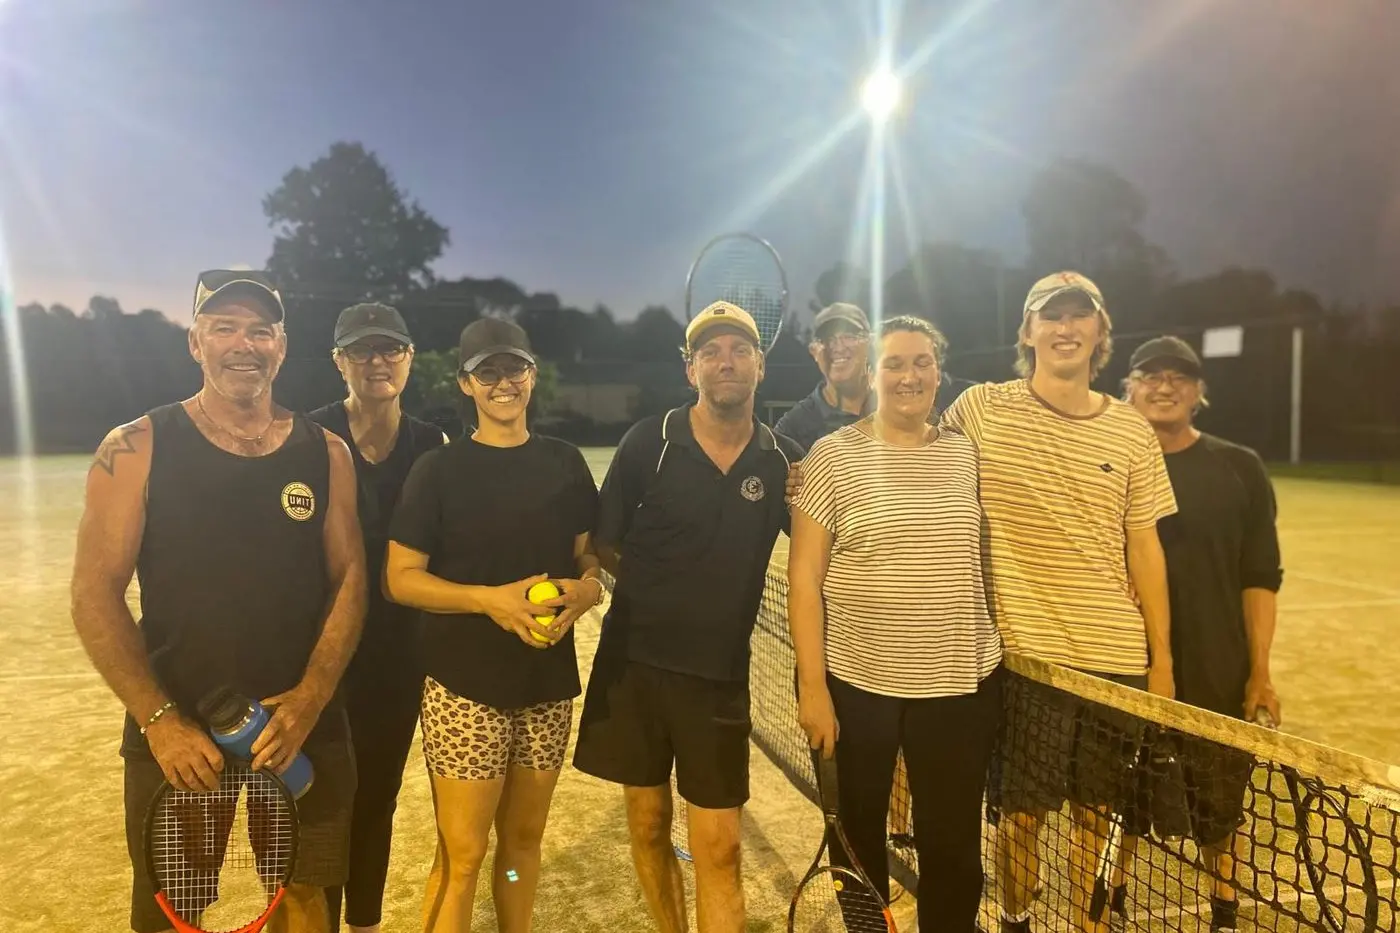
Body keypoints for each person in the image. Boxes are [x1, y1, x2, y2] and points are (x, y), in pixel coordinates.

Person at [71, 269, 366, 933]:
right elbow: (93, 592)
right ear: (195, 342)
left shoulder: (327, 453)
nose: (244, 343)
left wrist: (314, 694)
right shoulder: (137, 446)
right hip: (181, 733)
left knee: (308, 897)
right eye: (225, 326)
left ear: (281, 347)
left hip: (301, 731)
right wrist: (159, 718)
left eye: (259, 329)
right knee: (176, 909)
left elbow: (349, 576)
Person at [935, 271, 1178, 933]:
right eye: (1051, 315)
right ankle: (1015, 919)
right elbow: (911, 455)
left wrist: (1162, 661)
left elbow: (1145, 548)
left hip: (1115, 660)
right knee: (1019, 817)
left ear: (1101, 331)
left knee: (1098, 819)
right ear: (1027, 331)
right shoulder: (981, 408)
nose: (1065, 327)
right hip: (1024, 664)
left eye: (1080, 315)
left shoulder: (1132, 431)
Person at [572, 301, 805, 933]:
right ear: (690, 368)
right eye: (710, 351)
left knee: (721, 846)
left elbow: (819, 557)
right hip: (635, 669)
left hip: (718, 679)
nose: (725, 361)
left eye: (738, 349)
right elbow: (603, 541)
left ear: (761, 363)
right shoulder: (650, 441)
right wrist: (651, 591)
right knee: (648, 827)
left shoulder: (784, 462)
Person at [384, 316, 604, 933]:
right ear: (466, 385)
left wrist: (586, 590)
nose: (503, 383)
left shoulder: (563, 463)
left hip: (546, 686)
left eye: (515, 369)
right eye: (488, 373)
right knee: (463, 856)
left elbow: (588, 554)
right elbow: (400, 579)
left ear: (532, 376)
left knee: (523, 844)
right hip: (465, 687)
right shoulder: (439, 471)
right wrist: (491, 601)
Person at [787, 315, 1005, 933]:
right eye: (893, 364)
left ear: (939, 371)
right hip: (859, 688)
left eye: (921, 363)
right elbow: (803, 580)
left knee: (954, 851)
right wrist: (813, 687)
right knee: (857, 841)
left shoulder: (968, 454)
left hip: (960, 689)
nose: (908, 376)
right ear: (873, 374)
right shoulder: (831, 458)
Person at [1118, 335, 1283, 933]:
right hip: (1126, 656)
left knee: (1219, 797)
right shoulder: (1109, 459)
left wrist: (1260, 671)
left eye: (1179, 377)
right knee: (1122, 793)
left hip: (1216, 659)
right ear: (1129, 385)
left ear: (1199, 392)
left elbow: (1260, 575)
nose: (1164, 386)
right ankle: (1108, 895)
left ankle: (1224, 909)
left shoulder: (1240, 466)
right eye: (1150, 375)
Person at [308, 302, 448, 933]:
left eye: (390, 349)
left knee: (378, 799)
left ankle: (363, 923)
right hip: (319, 655)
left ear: (410, 359)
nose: (377, 362)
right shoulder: (307, 438)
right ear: (339, 362)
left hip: (399, 657)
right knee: (321, 802)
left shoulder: (431, 443)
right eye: (361, 351)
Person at [775, 302, 975, 450]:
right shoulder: (794, 428)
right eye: (826, 339)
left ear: (870, 344)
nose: (838, 347)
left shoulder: (913, 396)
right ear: (814, 351)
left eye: (849, 335)